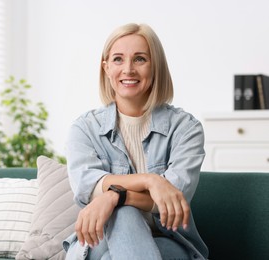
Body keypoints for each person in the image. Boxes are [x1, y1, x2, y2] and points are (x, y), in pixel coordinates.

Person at [63, 23, 209, 260]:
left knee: (122, 214)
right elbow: (87, 187)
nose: (128, 69)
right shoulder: (84, 128)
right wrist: (149, 180)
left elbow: (170, 201)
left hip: (167, 240)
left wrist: (115, 196)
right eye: (118, 59)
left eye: (140, 59)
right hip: (96, 241)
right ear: (106, 68)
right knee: (124, 215)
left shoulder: (185, 128)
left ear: (156, 67)